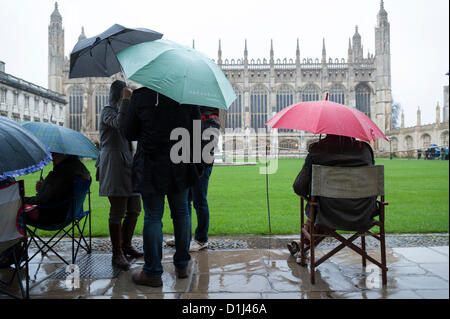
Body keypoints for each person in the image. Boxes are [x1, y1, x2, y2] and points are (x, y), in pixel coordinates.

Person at [124, 87, 202, 287]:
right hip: (180, 162)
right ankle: (182, 265)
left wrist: (127, 101)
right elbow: (196, 131)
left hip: (151, 165)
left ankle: (152, 272)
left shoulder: (140, 96)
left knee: (153, 217)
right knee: (182, 213)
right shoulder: (186, 96)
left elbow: (129, 132)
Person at [289, 134, 377, 262]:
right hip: (362, 213)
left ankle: (304, 246)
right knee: (330, 205)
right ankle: (303, 245)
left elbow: (299, 187)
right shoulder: (365, 150)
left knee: (322, 206)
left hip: (328, 213)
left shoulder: (318, 150)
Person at [96, 80, 143, 271]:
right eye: (126, 92)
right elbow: (119, 124)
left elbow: (132, 131)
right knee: (117, 211)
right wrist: (126, 101)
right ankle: (117, 254)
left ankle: (126, 245)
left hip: (128, 165)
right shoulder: (108, 110)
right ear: (119, 93)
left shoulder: (124, 110)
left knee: (135, 208)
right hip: (114, 165)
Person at [186, 106, 221, 251]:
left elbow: (202, 142)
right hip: (191, 162)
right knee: (186, 201)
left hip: (202, 164)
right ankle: (184, 237)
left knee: (199, 201)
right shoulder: (205, 118)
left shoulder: (210, 120)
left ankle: (201, 239)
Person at [24, 153, 91, 225]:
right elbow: (58, 192)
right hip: (72, 214)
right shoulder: (81, 169)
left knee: (15, 211)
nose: (52, 157)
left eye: (55, 154)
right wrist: (43, 187)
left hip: (52, 216)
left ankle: (19, 236)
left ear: (65, 154)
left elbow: (42, 200)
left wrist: (22, 200)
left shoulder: (61, 173)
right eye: (51, 154)